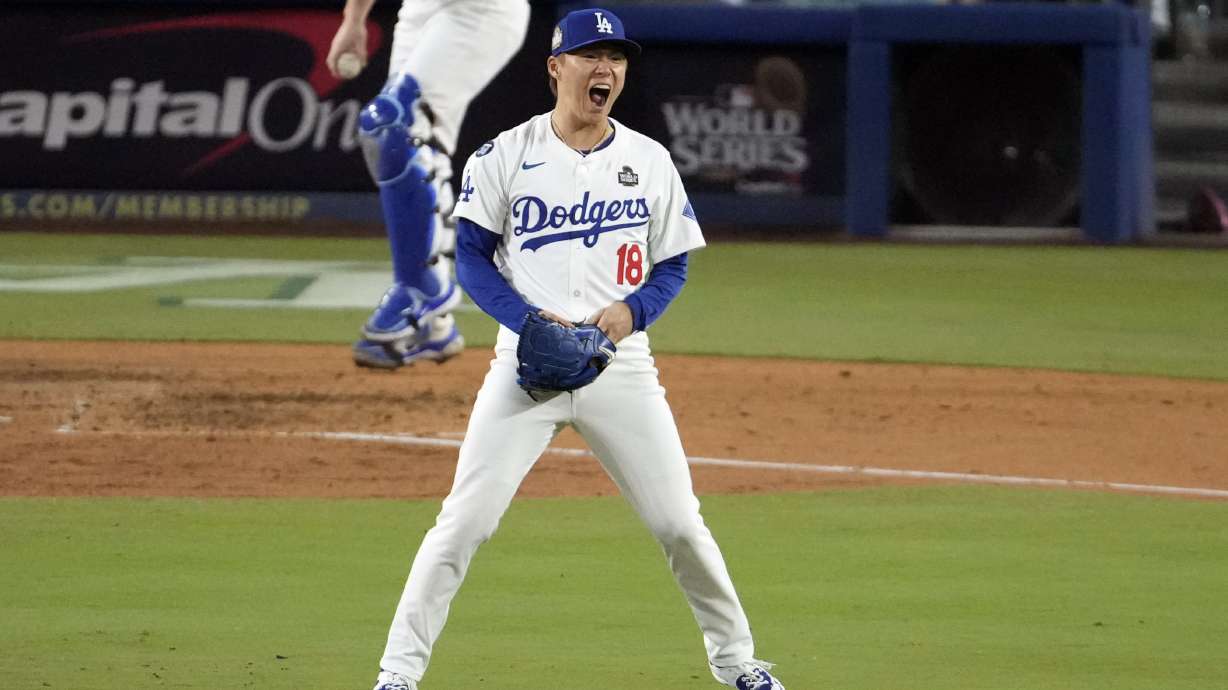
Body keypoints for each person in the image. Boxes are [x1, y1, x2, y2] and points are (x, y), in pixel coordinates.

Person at [368, 8, 788, 690]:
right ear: (556, 67)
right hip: (523, 371)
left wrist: (631, 313)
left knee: (680, 525)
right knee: (463, 523)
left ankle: (739, 662)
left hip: (621, 370)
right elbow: (471, 258)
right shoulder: (504, 155)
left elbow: (673, 265)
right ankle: (397, 674)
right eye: (592, 54)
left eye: (616, 58)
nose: (606, 68)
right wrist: (525, 321)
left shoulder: (649, 161)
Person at [326, 0, 531, 369]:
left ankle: (422, 292)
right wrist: (354, 18)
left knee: (391, 123)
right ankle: (435, 328)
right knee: (422, 146)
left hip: (483, 9)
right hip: (419, 11)